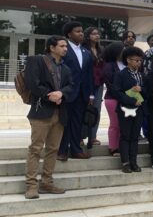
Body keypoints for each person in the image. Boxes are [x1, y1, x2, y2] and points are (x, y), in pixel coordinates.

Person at [23, 36, 73, 199]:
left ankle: (47, 183)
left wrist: (61, 93)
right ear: (52, 47)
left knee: (53, 150)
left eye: (66, 46)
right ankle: (31, 186)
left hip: (59, 113)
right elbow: (32, 83)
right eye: (62, 46)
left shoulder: (66, 68)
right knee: (36, 149)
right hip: (41, 111)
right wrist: (48, 95)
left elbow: (71, 86)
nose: (66, 48)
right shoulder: (36, 61)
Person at [58, 21, 94, 161]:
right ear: (69, 34)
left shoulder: (86, 52)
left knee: (77, 122)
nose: (81, 33)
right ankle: (62, 150)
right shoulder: (64, 50)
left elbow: (89, 75)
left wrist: (91, 94)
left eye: (82, 31)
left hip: (82, 94)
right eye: (77, 31)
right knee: (64, 123)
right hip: (66, 93)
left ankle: (76, 150)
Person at [113, 46, 146, 173]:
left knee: (134, 136)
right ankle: (125, 162)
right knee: (125, 135)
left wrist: (142, 90)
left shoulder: (142, 75)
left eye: (140, 60)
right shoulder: (121, 74)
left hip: (139, 109)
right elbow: (117, 92)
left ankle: (134, 162)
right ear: (128, 60)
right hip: (125, 109)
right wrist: (132, 100)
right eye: (136, 60)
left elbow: (148, 90)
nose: (138, 63)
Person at [101, 42, 125, 156]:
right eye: (122, 50)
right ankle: (113, 147)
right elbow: (110, 84)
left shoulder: (126, 64)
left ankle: (122, 146)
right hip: (112, 98)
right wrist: (122, 95)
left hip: (126, 98)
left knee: (124, 124)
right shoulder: (109, 66)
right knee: (115, 124)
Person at [82, 26, 104, 149]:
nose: (97, 36)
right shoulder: (83, 49)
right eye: (94, 34)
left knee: (96, 110)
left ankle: (93, 136)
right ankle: (80, 136)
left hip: (99, 84)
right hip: (86, 83)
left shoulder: (101, 50)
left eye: (98, 33)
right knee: (84, 109)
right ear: (88, 35)